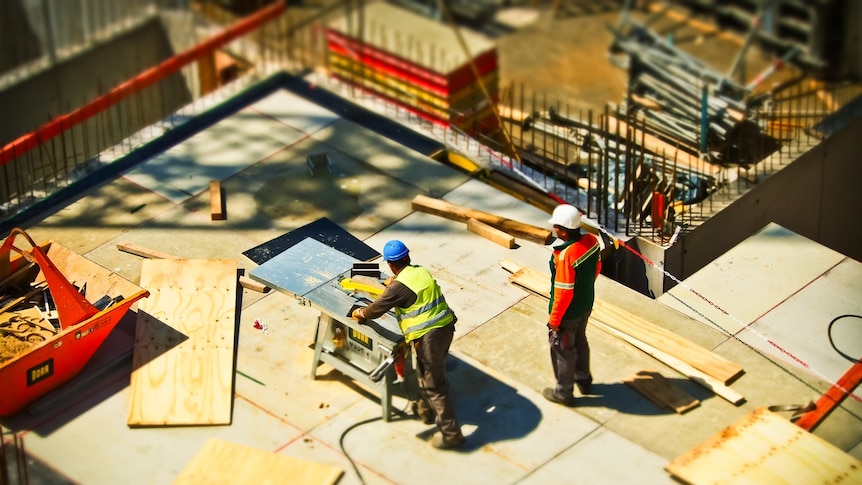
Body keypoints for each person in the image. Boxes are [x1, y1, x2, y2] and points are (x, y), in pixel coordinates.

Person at [351, 240, 465, 450]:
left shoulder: (398, 287)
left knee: (434, 385)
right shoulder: (419, 271)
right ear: (407, 257)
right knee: (426, 372)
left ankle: (452, 434)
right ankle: (426, 411)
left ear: (391, 264)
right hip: (446, 327)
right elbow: (409, 287)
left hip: (428, 338)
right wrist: (395, 282)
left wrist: (360, 313)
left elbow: (376, 310)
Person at [543, 204, 602, 407]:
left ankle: (564, 393)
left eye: (556, 227)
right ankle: (584, 380)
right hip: (585, 305)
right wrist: (584, 292)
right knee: (580, 341)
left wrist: (554, 320)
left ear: (563, 230)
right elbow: (597, 268)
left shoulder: (566, 254)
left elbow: (563, 292)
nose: (554, 230)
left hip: (568, 314)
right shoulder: (592, 242)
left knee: (563, 349)